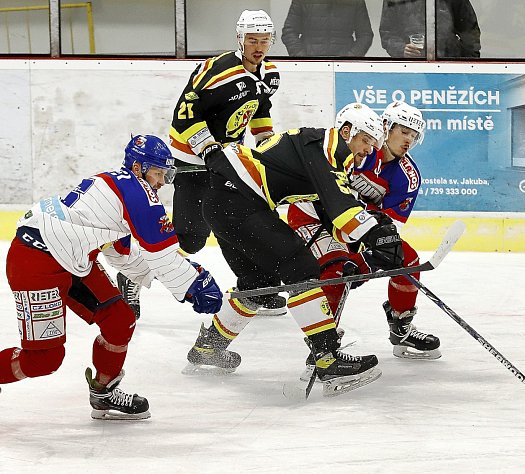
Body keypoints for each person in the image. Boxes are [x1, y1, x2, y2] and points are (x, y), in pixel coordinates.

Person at [183, 103, 404, 395]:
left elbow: (329, 212)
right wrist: (375, 234)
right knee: (300, 268)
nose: (368, 149)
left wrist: (366, 241)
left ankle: (209, 347)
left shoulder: (328, 154)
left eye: (373, 144)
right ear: (347, 131)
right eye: (365, 141)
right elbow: (340, 209)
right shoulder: (324, 146)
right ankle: (328, 361)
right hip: (236, 200)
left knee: (259, 283)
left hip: (225, 201)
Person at [0, 135, 223, 419]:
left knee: (119, 321)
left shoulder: (117, 185)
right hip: (36, 261)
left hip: (72, 258)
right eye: (158, 173)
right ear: (139, 167)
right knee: (44, 360)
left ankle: (104, 394)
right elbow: (161, 254)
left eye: (167, 175)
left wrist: (189, 283)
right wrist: (193, 283)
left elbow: (123, 253)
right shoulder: (136, 192)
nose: (161, 182)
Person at [116, 10, 286, 319]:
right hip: (194, 162)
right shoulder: (217, 71)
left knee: (240, 223)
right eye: (252, 40)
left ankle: (256, 287)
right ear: (240, 39)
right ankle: (133, 273)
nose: (259, 46)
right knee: (190, 239)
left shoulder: (270, 73)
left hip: (232, 161)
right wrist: (208, 150)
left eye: (265, 40)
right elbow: (185, 114)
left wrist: (265, 142)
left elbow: (260, 107)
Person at [288, 102, 440, 378]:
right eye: (403, 131)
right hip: (320, 219)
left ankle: (401, 325)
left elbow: (385, 221)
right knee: (338, 270)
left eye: (414, 135)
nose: (408, 139)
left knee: (408, 260)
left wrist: (375, 249)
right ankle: (324, 343)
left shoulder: (408, 177)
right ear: (387, 127)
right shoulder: (360, 150)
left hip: (358, 227)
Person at [380, 0, 480, 58]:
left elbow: (469, 32)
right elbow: (387, 32)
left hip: (449, 65)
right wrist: (401, 49)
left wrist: (470, 65)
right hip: (410, 67)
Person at [282, 0, 373, 57]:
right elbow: (289, 32)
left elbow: (365, 35)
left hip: (345, 66)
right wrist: (302, 57)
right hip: (309, 64)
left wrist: (350, 58)